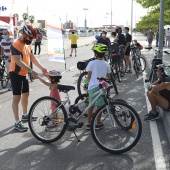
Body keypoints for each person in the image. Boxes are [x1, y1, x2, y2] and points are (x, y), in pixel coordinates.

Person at [9, 25, 48, 132]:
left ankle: (25, 115)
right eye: (30, 38)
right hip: (15, 74)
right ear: (24, 35)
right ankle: (17, 122)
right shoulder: (16, 44)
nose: (31, 40)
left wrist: (42, 68)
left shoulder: (27, 45)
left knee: (26, 94)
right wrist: (31, 71)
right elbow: (18, 61)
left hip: (24, 73)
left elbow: (33, 58)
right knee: (16, 98)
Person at [85, 43, 111, 130]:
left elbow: (89, 75)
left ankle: (88, 123)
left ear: (95, 53)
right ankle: (98, 123)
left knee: (91, 105)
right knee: (100, 106)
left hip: (92, 87)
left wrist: (89, 83)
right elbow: (108, 77)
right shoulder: (106, 64)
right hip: (102, 87)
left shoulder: (92, 63)